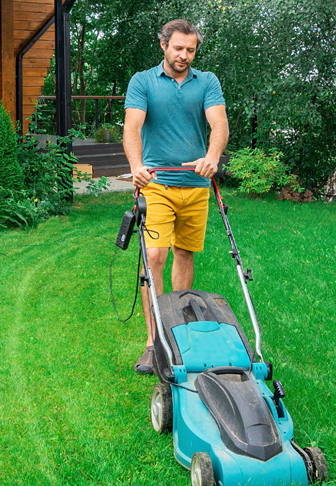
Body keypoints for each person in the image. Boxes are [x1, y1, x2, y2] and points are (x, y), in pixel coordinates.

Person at [123, 19, 229, 374]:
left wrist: (212, 158)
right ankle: (154, 344)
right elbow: (132, 127)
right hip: (157, 184)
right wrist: (136, 165)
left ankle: (178, 332)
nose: (184, 55)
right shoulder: (143, 82)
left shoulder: (207, 82)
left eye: (191, 50)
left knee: (184, 253)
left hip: (196, 186)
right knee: (154, 256)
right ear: (163, 45)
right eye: (178, 48)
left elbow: (219, 124)